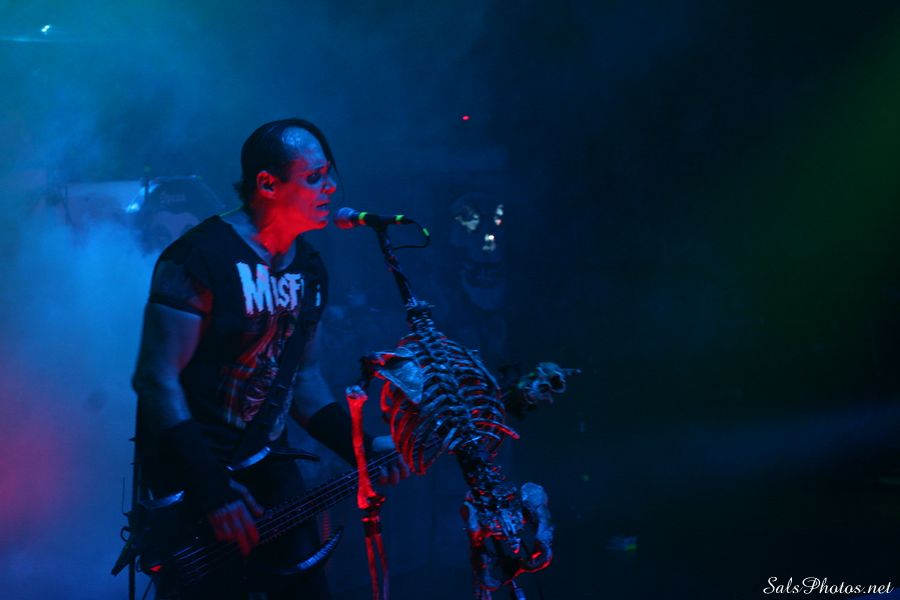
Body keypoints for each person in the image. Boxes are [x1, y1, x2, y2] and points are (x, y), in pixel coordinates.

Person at [131, 118, 407, 599]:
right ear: (267, 184)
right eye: (314, 177)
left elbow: (305, 379)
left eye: (329, 173)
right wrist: (211, 486)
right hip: (195, 478)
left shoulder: (310, 268)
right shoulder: (198, 258)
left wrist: (362, 447)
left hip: (267, 468)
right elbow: (157, 379)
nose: (331, 186)